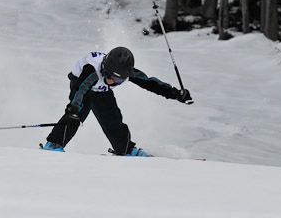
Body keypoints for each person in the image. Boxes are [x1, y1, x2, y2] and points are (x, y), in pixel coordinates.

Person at [42, 47, 192, 155]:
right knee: (78, 113)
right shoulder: (92, 70)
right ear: (104, 68)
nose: (111, 81)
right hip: (81, 83)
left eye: (117, 80)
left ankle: (124, 149)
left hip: (101, 91)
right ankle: (54, 143)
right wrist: (72, 110)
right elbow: (79, 90)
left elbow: (150, 83)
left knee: (112, 117)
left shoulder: (127, 71)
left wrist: (176, 94)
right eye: (109, 76)